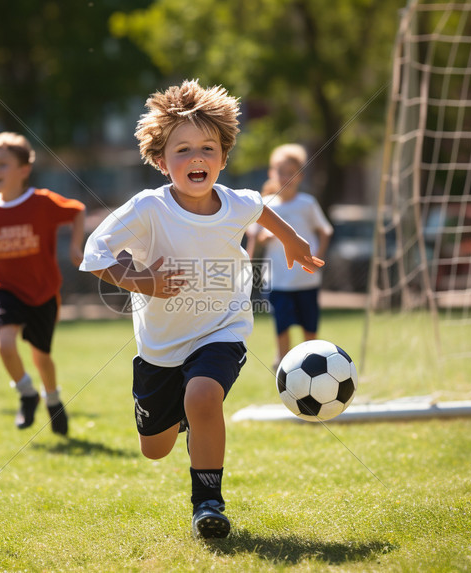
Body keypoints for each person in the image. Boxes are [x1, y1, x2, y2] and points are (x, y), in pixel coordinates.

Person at [80, 80, 324, 539]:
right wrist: (145, 282)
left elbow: (259, 208)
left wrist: (293, 240)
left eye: (208, 148)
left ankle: (208, 503)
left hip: (222, 328)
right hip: (159, 348)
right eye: (183, 150)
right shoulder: (148, 209)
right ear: (160, 161)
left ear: (224, 157)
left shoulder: (236, 202)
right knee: (155, 449)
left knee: (204, 396)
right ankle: (188, 421)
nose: (197, 158)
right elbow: (95, 254)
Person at [0, 132, 86, 435]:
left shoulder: (42, 202)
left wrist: (76, 247)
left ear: (24, 170)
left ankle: (53, 400)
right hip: (5, 290)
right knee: (4, 342)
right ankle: (26, 393)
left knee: (42, 356)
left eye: (2, 164)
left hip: (42, 291)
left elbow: (77, 210)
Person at [247, 144, 333, 370]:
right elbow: (254, 236)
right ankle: (283, 363)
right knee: (282, 324)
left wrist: (317, 259)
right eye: (281, 172)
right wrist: (264, 237)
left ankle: (312, 363)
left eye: (291, 173)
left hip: (306, 279)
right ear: (271, 173)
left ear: (300, 176)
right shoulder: (265, 204)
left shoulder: (307, 203)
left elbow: (325, 230)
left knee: (309, 327)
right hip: (278, 280)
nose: (286, 177)